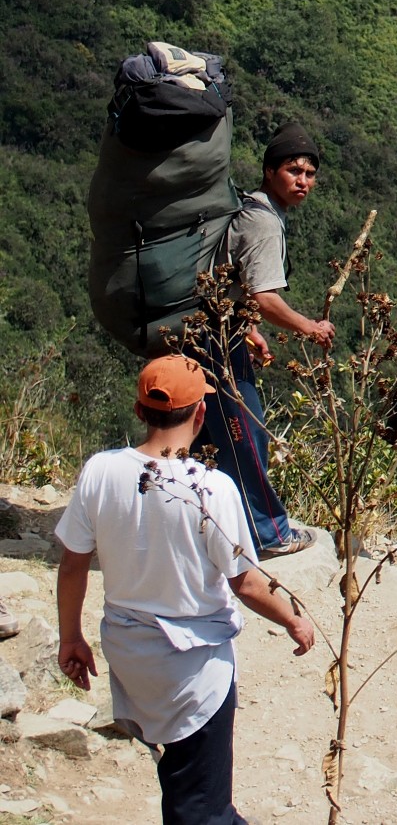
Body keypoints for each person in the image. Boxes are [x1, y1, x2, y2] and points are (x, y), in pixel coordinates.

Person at [55, 355, 317, 825]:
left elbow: (73, 564)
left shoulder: (100, 471)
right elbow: (246, 582)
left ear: (140, 413)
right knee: (199, 807)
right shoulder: (211, 488)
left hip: (131, 656)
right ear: (201, 414)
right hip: (194, 670)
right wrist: (293, 619)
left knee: (185, 782)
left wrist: (70, 637)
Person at [213, 121, 335, 559]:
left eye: (309, 173)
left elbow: (230, 281)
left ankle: (198, 527)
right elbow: (264, 297)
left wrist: (248, 330)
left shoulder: (254, 211)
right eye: (292, 170)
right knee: (247, 435)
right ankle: (267, 533)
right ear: (268, 172)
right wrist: (309, 326)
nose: (303, 181)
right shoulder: (264, 223)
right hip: (214, 344)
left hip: (215, 334)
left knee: (201, 439)